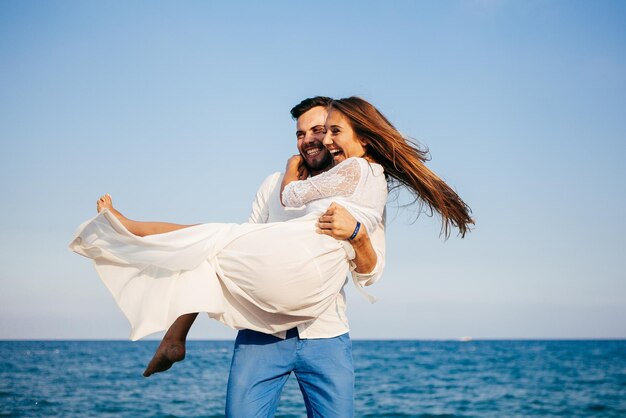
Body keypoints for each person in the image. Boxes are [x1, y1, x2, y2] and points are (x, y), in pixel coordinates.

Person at [70, 96, 473, 413]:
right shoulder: (273, 184)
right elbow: (244, 249)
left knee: (210, 241)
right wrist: (286, 175)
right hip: (262, 332)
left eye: (323, 130)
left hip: (324, 334)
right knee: (214, 246)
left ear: (345, 134)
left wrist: (356, 237)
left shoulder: (358, 181)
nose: (314, 139)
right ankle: (172, 333)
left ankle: (146, 266)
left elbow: (370, 272)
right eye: (302, 134)